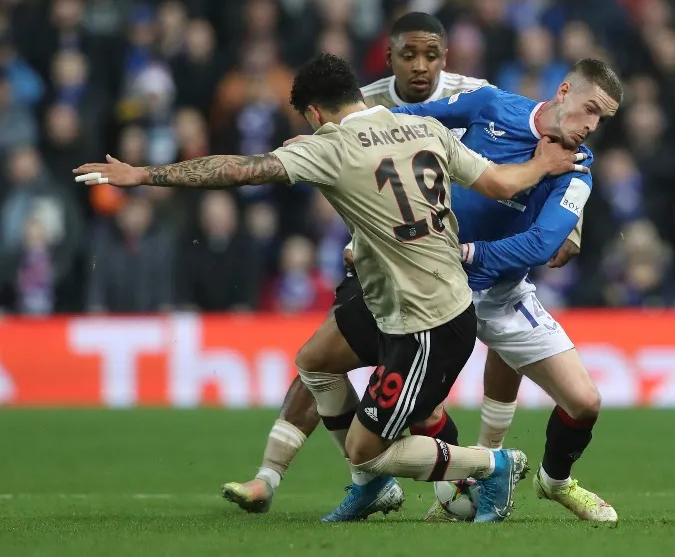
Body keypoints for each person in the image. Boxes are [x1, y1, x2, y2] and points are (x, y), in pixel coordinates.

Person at [73, 53, 586, 523]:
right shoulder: (425, 127)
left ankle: (491, 463)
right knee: (315, 362)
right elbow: (498, 182)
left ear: (314, 114)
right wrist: (541, 165)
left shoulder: (331, 147)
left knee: (370, 447)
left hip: (427, 319)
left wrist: (142, 174)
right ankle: (371, 488)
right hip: (393, 296)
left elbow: (238, 170)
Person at [220, 12, 585, 517]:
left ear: (446, 58)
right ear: (388, 58)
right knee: (320, 359)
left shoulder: (475, 96)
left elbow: (530, 165)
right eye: (409, 55)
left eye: (431, 55)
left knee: (416, 398)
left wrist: (567, 224)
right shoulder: (359, 103)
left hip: (447, 273)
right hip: (378, 266)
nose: (420, 66)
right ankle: (280, 476)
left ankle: (473, 467)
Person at [392, 59, 621, 524]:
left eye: (603, 119)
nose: (593, 126)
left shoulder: (577, 166)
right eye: (590, 110)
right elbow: (409, 120)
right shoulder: (492, 105)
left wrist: (470, 253)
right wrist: (332, 138)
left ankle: (554, 481)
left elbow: (542, 243)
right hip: (436, 286)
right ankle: (463, 482)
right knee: (418, 408)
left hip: (501, 291)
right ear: (563, 91)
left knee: (585, 402)